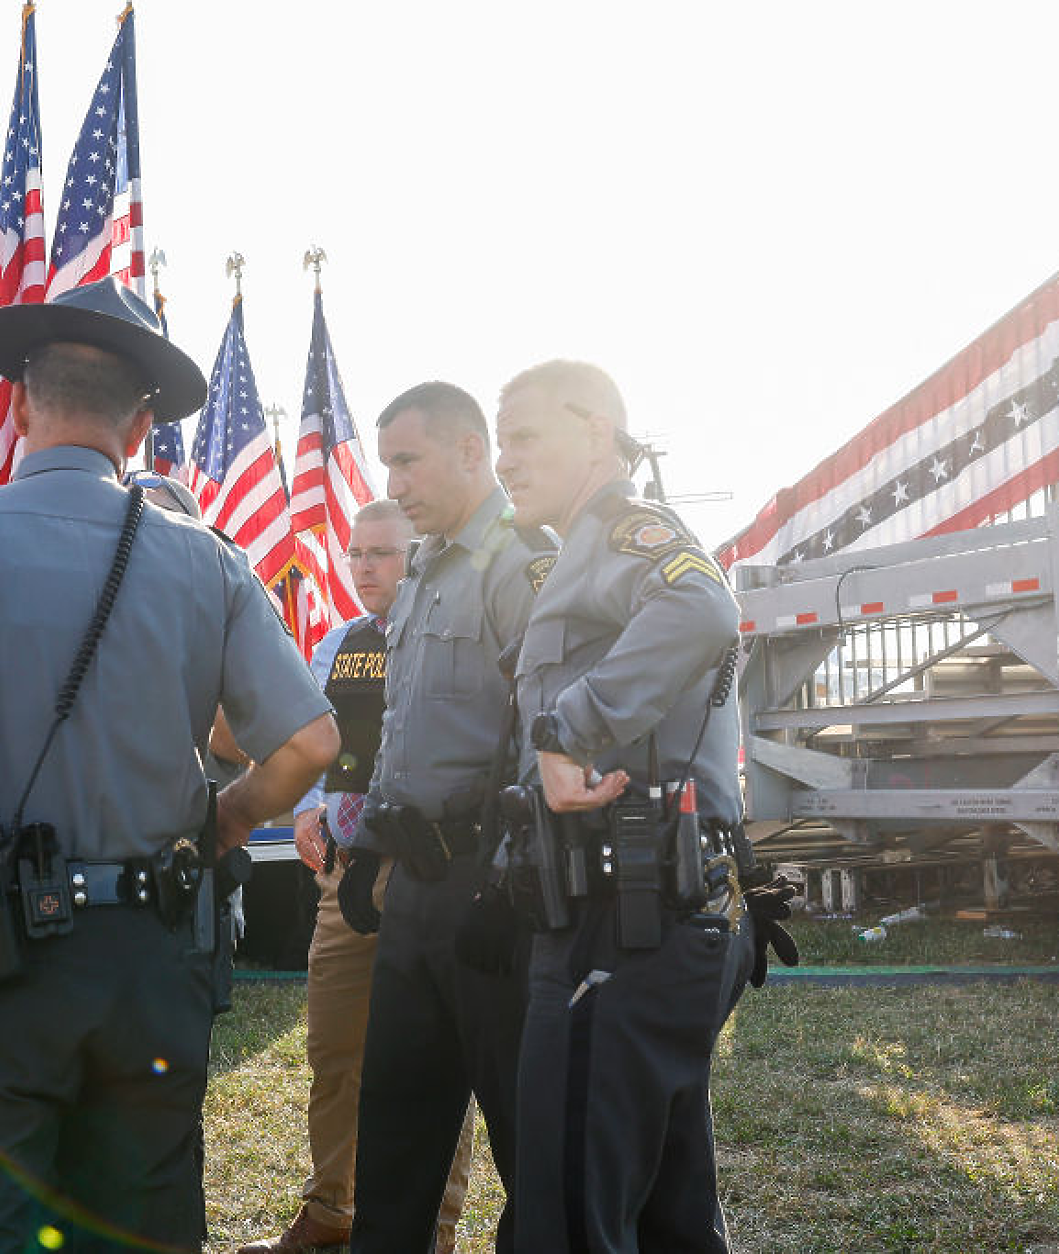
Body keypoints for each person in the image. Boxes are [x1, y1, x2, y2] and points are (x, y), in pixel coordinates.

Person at [0, 277, 340, 1253]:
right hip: (150, 955)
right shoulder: (206, 560)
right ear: (138, 425)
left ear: (15, 404)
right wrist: (221, 820)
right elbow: (308, 744)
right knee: (139, 1225)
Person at [494, 359, 798, 1253]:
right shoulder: (577, 550)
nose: (506, 461)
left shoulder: (625, 530)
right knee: (670, 1216)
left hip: (621, 924)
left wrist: (567, 731)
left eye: (524, 435)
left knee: (569, 1215)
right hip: (645, 921)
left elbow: (704, 606)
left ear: (595, 431)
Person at [345, 382, 555, 1254]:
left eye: (407, 459)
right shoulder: (425, 564)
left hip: (490, 896)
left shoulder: (521, 561)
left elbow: (549, 737)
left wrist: (507, 883)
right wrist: (365, 851)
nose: (393, 481)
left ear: (472, 451)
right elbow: (403, 730)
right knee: (395, 1131)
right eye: (386, 460)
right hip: (415, 890)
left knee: (526, 1142)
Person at [238, 499, 475, 1254]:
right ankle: (332, 1209)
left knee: (438, 1061)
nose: (365, 567)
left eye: (383, 553)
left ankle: (433, 1228)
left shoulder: (452, 639)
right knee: (335, 1052)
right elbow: (313, 743)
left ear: (419, 555)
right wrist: (307, 807)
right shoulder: (337, 644)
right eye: (355, 553)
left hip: (432, 874)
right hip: (345, 879)